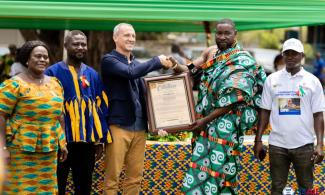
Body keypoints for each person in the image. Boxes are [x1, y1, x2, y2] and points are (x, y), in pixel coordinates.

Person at [170, 18, 266, 194]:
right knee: (202, 169)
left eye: (226, 33)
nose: (222, 37)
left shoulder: (243, 61)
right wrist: (175, 65)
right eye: (219, 33)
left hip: (225, 127)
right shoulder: (212, 53)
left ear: (235, 34)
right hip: (204, 125)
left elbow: (233, 101)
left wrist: (204, 121)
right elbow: (192, 69)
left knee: (221, 170)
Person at [101, 23, 173, 195]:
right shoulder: (109, 60)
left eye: (133, 36)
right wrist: (157, 61)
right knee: (112, 177)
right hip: (119, 126)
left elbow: (145, 96)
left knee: (135, 177)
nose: (131, 39)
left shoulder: (136, 63)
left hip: (140, 127)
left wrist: (157, 123)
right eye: (126, 35)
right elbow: (129, 72)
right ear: (115, 38)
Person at [254, 38, 325, 195]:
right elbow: (264, 111)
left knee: (306, 187)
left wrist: (319, 144)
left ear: (302, 56)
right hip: (277, 145)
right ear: (283, 56)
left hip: (304, 144)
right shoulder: (272, 80)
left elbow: (318, 115)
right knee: (277, 187)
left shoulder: (312, 81)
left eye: (295, 54)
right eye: (287, 53)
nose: (291, 57)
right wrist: (258, 140)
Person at [45, 30, 112, 195]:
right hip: (61, 142)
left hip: (86, 143)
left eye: (83, 44)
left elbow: (100, 107)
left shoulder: (92, 74)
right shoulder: (52, 73)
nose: (80, 47)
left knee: (84, 187)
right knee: (56, 186)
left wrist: (99, 140)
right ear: (66, 45)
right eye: (76, 44)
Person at [0, 40, 68, 194]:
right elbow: (1, 116)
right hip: (20, 148)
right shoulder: (14, 84)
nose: (42, 60)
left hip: (48, 149)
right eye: (38, 56)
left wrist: (62, 142)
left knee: (46, 188)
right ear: (27, 59)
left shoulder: (56, 84)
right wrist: (2, 148)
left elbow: (59, 115)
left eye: (45, 57)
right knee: (22, 188)